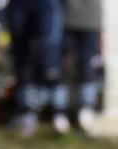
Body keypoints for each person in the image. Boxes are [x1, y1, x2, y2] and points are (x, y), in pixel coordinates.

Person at [6, 0, 69, 137]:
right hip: (18, 5)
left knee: (48, 56)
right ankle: (27, 112)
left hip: (47, 4)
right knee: (22, 56)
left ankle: (59, 111)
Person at [61, 0, 102, 133]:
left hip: (90, 16)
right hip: (64, 15)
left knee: (86, 63)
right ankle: (63, 107)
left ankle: (86, 106)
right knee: (65, 63)